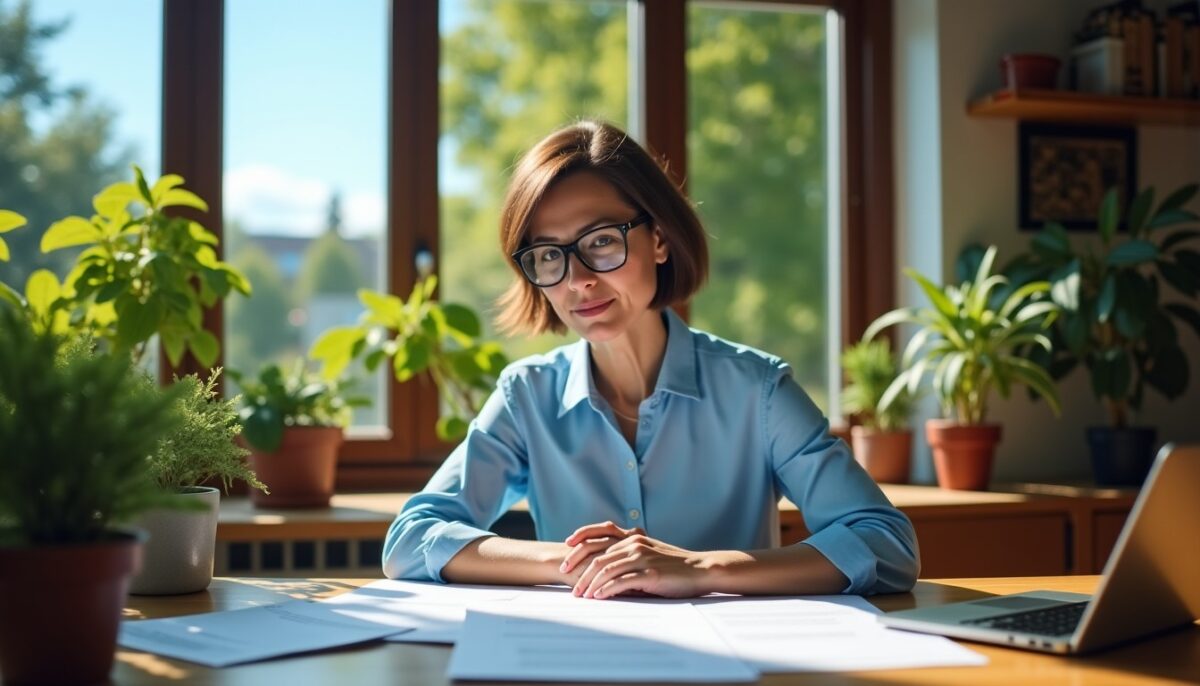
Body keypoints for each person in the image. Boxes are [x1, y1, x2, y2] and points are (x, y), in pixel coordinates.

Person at [382, 120, 919, 599]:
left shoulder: (758, 390)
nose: (578, 279)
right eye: (548, 255)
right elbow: (410, 539)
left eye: (600, 240)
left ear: (659, 238)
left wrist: (701, 568)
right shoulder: (528, 396)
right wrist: (576, 563)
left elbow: (885, 543)